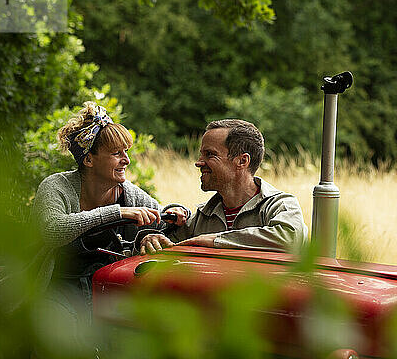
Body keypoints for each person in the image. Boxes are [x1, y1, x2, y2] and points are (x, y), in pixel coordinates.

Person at [31, 102, 188, 311]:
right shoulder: (56, 187)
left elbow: (159, 216)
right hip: (53, 288)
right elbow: (53, 230)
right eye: (116, 153)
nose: (127, 160)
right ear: (88, 159)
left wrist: (175, 212)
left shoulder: (128, 193)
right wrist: (117, 213)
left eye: (126, 152)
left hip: (105, 289)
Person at [139, 119, 308, 255]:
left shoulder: (280, 205)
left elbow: (290, 239)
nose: (198, 162)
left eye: (210, 154)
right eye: (201, 154)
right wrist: (151, 239)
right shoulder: (202, 216)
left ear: (242, 161)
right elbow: (164, 247)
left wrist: (215, 241)